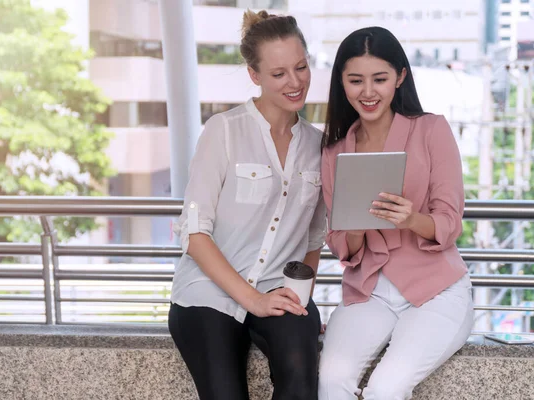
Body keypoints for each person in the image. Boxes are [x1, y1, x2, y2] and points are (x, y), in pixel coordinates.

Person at [169, 10, 326, 400]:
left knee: (301, 378)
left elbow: (313, 238)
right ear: (255, 76)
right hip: (207, 293)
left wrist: (301, 298)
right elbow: (195, 232)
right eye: (278, 74)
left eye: (301, 67)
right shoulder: (223, 131)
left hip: (279, 290)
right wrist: (251, 298)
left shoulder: (318, 146)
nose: (295, 82)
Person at [318, 27, 474, 400]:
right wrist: (354, 228)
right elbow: (341, 245)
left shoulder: (431, 130)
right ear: (341, 82)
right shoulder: (334, 151)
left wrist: (410, 219)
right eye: (355, 80)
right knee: (329, 380)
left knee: (385, 389)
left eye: (380, 79)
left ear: (400, 77)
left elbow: (450, 222)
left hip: (437, 289)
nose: (367, 92)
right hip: (370, 290)